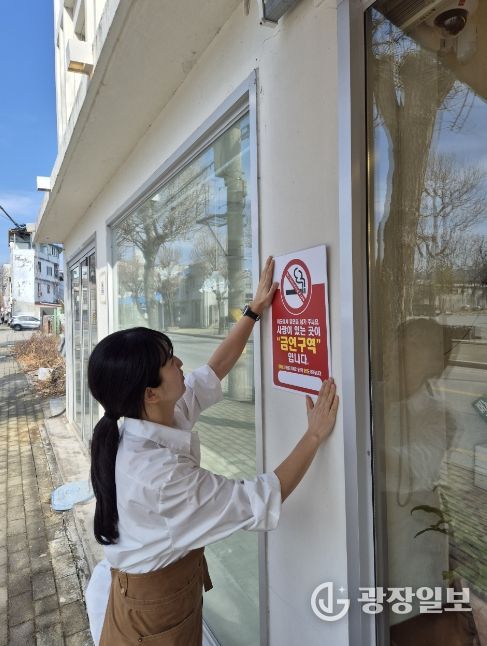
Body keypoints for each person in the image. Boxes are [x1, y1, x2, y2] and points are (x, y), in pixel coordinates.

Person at [85, 256, 339, 645]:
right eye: (169, 361)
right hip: (153, 611)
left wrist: (253, 312)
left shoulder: (153, 420)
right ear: (150, 394)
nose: (179, 362)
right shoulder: (160, 475)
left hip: (154, 589)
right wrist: (314, 435)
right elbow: (259, 498)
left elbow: (212, 371)